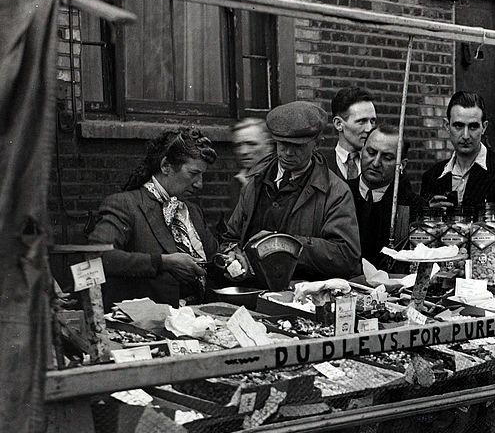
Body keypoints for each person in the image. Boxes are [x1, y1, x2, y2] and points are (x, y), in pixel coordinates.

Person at [221, 101, 361, 281]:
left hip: (302, 297)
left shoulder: (336, 192)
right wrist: (233, 256)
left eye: (298, 146)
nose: (287, 152)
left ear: (317, 144)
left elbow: (345, 255)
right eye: (282, 144)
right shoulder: (254, 182)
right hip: (253, 290)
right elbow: (230, 238)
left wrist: (283, 244)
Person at [88, 128, 219, 308]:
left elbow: (213, 258)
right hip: (147, 326)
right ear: (166, 166)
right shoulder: (126, 205)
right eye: (193, 174)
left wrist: (229, 259)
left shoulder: (192, 211)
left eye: (202, 175)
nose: (199, 185)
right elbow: (96, 256)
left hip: (197, 322)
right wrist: (161, 263)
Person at [420, 90, 495, 209]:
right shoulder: (432, 176)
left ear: (484, 127)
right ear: (447, 126)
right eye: (458, 126)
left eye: (473, 126)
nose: (466, 136)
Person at [348, 124, 419, 269]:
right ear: (361, 151)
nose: (375, 163)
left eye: (387, 158)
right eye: (371, 152)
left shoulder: (415, 207)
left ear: (402, 165)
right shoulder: (338, 192)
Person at [325, 86, 376, 180]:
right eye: (362, 121)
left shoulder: (382, 164)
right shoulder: (320, 166)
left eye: (372, 121)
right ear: (338, 124)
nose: (369, 129)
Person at [230, 118, 273, 187]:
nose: (243, 151)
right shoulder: (237, 182)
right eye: (238, 145)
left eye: (251, 144)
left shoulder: (283, 180)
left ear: (268, 145)